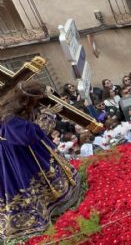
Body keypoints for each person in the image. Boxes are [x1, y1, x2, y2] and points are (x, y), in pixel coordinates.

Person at [0, 82, 81, 240]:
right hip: (17, 158)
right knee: (27, 185)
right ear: (27, 100)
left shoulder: (12, 108)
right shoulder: (9, 119)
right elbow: (29, 135)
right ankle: (33, 219)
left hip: (22, 152)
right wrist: (48, 116)